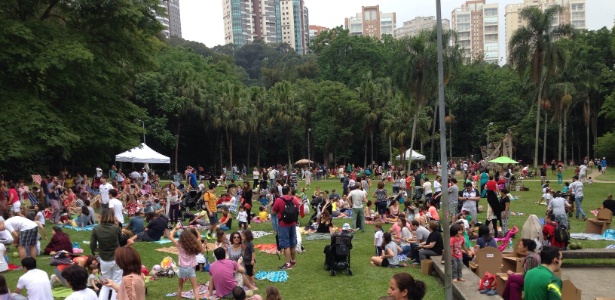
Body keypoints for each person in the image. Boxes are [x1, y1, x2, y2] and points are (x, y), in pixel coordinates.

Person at [90, 209, 122, 300]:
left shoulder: (96, 228)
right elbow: (121, 239)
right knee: (116, 283)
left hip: (104, 258)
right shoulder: (116, 228)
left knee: (105, 284)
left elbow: (92, 244)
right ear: (112, 216)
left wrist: (94, 251)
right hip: (117, 258)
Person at [167, 224, 204, 300]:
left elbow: (170, 236)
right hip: (190, 269)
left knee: (180, 287)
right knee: (195, 288)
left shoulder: (179, 245)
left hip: (181, 268)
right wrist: (196, 229)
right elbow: (200, 237)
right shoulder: (194, 245)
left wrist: (175, 228)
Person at [271, 186, 301, 270]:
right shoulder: (294, 199)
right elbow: (298, 208)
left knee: (286, 244)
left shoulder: (279, 200)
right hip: (293, 223)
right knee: (292, 243)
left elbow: (273, 211)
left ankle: (287, 264)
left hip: (283, 224)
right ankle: (293, 260)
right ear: (288, 191)